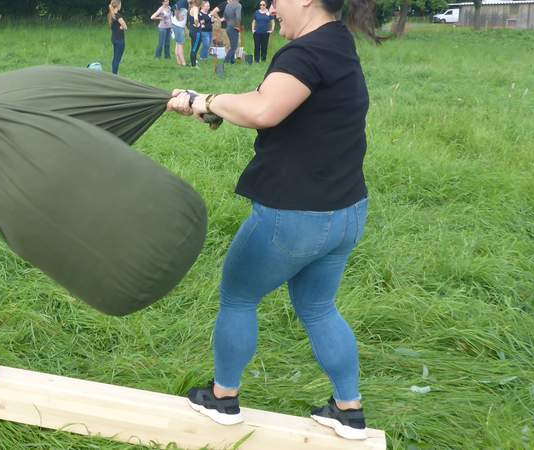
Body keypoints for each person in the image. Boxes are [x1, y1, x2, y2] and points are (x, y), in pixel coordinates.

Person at [168, 0, 383, 440]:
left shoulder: (305, 53)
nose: (270, 7)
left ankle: (223, 398)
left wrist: (201, 99)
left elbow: (265, 110)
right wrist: (217, 108)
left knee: (238, 296)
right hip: (346, 214)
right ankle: (349, 411)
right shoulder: (338, 41)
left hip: (295, 217)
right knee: (319, 307)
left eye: (276, 1)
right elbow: (284, 106)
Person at [109, 0, 128, 75]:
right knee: (117, 59)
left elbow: (120, 26)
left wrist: (121, 27)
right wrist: (122, 27)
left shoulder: (111, 15)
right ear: (117, 5)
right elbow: (125, 27)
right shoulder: (118, 15)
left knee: (115, 58)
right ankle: (115, 75)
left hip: (114, 39)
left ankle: (114, 73)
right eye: (120, 4)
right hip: (120, 40)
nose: (121, 6)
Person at [188, 0, 202, 68]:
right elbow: (196, 19)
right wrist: (198, 25)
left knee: (193, 47)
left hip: (192, 31)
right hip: (196, 31)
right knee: (194, 49)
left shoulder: (191, 8)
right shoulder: (195, 8)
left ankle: (193, 62)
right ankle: (194, 66)